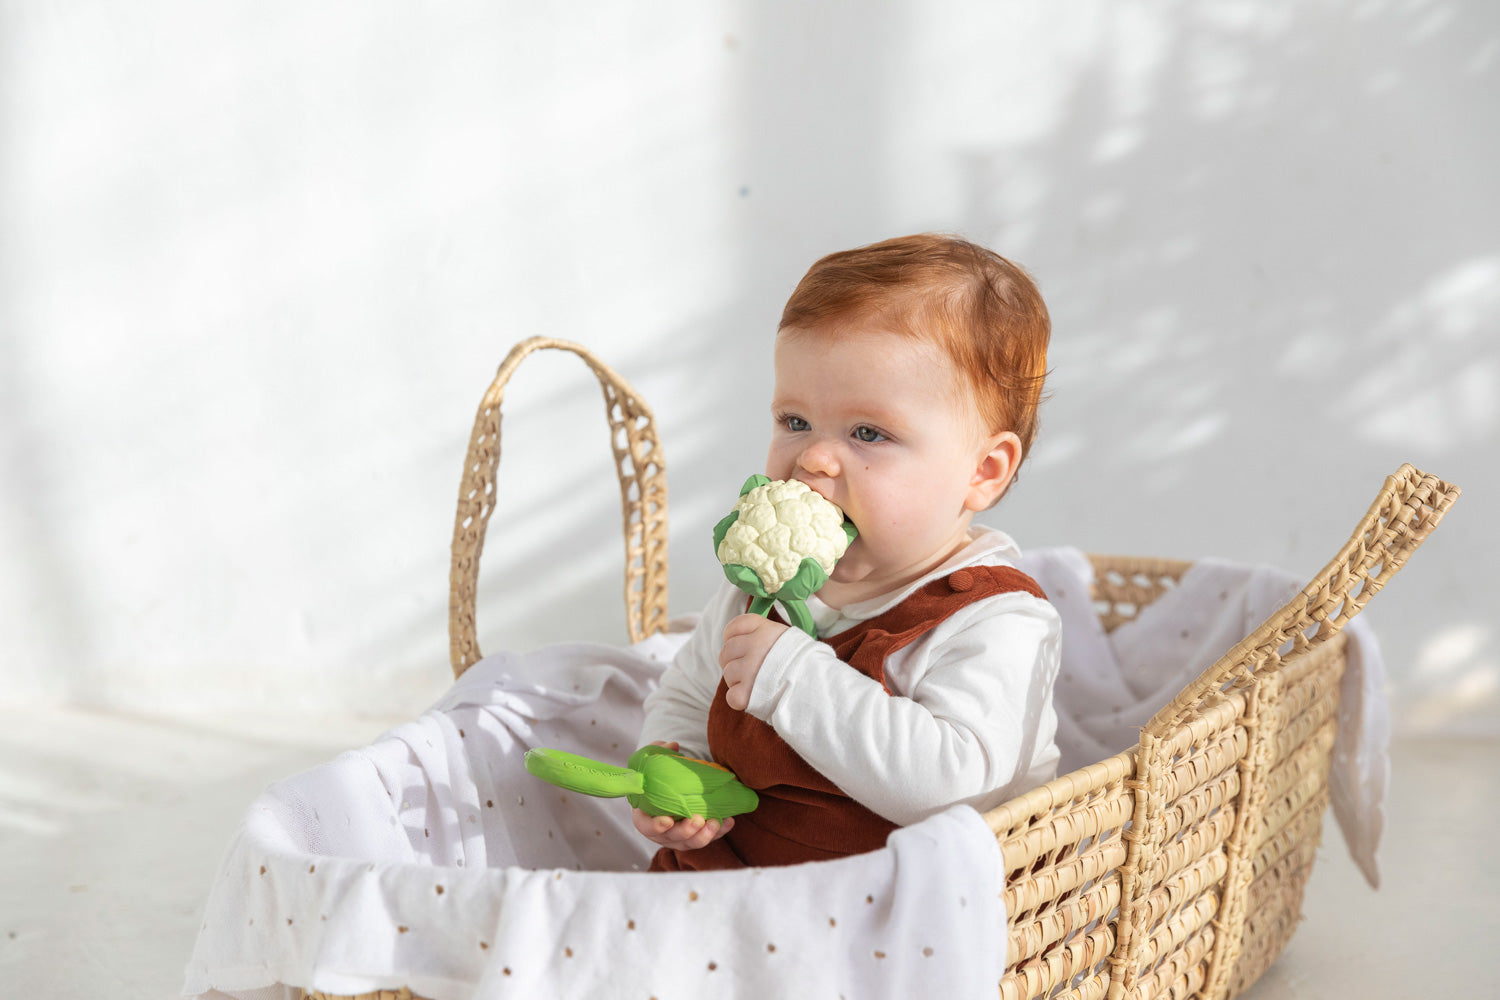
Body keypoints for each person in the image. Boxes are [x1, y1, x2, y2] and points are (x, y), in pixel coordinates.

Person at [638, 233, 1061, 871]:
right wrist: (671, 773)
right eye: (794, 421)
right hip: (738, 878)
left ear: (983, 470)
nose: (813, 457)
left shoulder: (996, 620)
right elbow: (686, 697)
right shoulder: (757, 590)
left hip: (916, 905)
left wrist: (793, 678)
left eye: (868, 433)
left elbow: (955, 787)